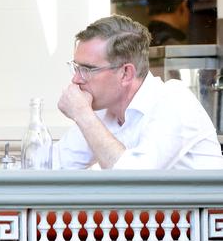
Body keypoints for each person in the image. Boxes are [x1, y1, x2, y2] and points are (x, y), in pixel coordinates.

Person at [55, 14, 223, 169]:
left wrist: (83, 115)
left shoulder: (174, 101)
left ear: (126, 73)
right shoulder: (105, 109)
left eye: (86, 69)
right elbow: (54, 166)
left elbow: (134, 184)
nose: (75, 79)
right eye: (75, 68)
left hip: (201, 202)